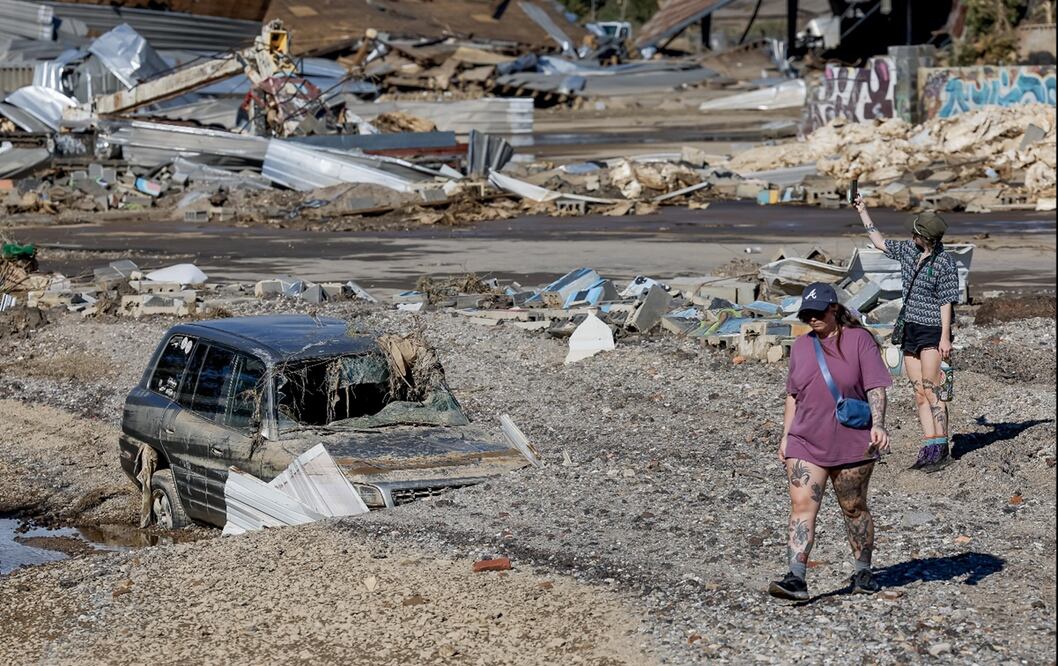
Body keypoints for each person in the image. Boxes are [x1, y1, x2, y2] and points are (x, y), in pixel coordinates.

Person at [770, 283, 892, 601]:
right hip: (805, 439)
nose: (813, 318)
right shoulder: (800, 347)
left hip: (853, 440)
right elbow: (792, 396)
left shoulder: (860, 341)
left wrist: (878, 425)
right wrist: (786, 437)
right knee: (802, 506)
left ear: (834, 309)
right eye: (807, 314)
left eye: (818, 312)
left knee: (853, 507)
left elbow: (876, 388)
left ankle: (863, 570)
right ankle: (796, 578)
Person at [855, 198, 960, 470]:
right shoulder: (908, 252)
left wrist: (945, 337)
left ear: (924, 236)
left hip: (933, 330)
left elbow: (947, 301)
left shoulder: (945, 263)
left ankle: (941, 447)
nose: (910, 235)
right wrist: (863, 211)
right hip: (910, 329)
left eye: (914, 232)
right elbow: (880, 242)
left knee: (932, 389)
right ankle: (928, 445)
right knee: (918, 393)